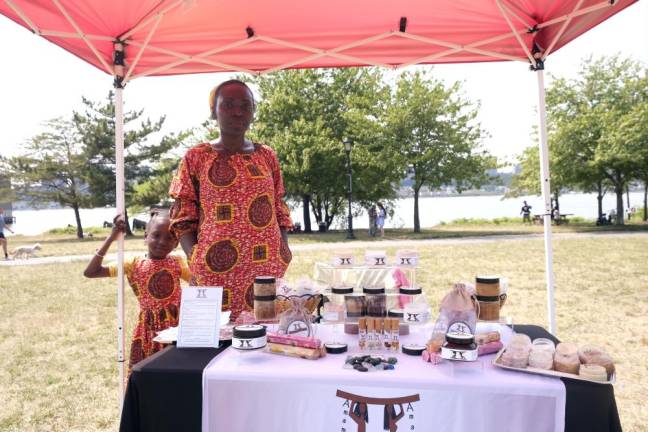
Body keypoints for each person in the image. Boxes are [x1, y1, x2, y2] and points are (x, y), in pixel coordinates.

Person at [169, 79, 293, 321]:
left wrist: (283, 250)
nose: (237, 111)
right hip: (214, 269)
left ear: (253, 112)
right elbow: (183, 212)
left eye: (245, 105)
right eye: (228, 105)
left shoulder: (266, 155)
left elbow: (278, 205)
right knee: (214, 336)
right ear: (213, 112)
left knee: (264, 330)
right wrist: (194, 257)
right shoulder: (196, 157)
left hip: (265, 266)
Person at [83, 212, 190, 371]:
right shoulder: (132, 263)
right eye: (156, 235)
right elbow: (91, 272)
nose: (162, 242)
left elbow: (198, 281)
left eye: (170, 237)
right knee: (148, 372)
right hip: (149, 329)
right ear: (146, 236)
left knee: (178, 370)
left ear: (176, 243)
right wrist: (112, 237)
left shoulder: (177, 262)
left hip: (179, 326)